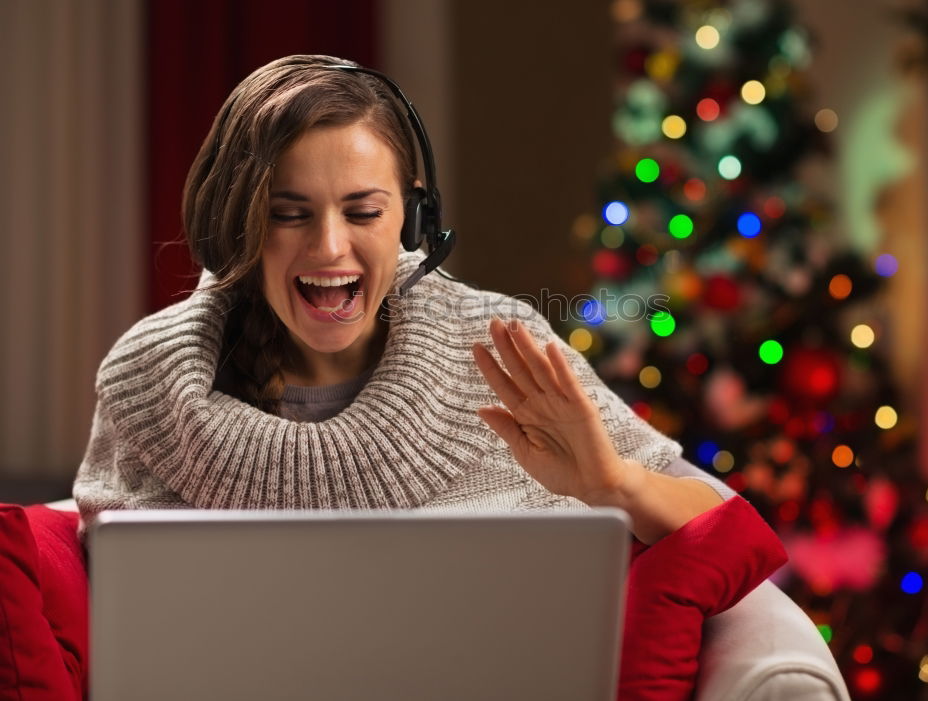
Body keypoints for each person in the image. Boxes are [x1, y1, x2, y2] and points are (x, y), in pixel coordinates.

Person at [72, 54, 737, 544]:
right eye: (288, 213)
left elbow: (732, 535)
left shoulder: (502, 345)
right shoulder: (148, 381)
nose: (330, 247)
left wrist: (611, 482)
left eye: (363, 211)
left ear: (412, 220)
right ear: (233, 225)